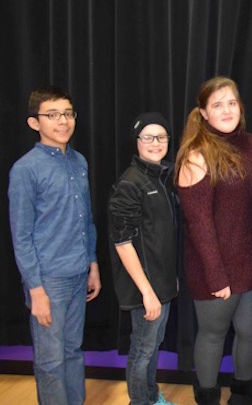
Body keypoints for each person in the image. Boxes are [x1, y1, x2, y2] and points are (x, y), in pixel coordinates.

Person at [176, 77, 252, 405]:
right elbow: (199, 223)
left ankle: (242, 396)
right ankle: (208, 398)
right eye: (217, 105)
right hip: (213, 268)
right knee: (214, 335)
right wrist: (216, 276)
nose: (227, 110)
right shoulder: (196, 155)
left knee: (251, 332)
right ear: (203, 113)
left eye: (232, 102)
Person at [8, 86, 102, 404]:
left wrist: (93, 265)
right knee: (50, 362)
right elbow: (20, 236)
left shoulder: (79, 161)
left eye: (67, 113)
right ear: (35, 123)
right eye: (52, 115)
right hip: (48, 281)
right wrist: (35, 290)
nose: (62, 121)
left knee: (73, 352)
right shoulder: (25, 170)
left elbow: (86, 219)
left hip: (78, 273)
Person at [108, 112, 178, 405]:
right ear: (136, 141)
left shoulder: (161, 178)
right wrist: (147, 292)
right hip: (144, 289)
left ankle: (150, 396)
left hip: (161, 285)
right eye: (148, 137)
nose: (155, 143)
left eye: (161, 137)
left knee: (153, 346)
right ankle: (140, 401)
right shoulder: (130, 183)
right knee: (142, 349)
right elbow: (122, 243)